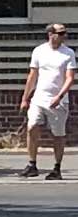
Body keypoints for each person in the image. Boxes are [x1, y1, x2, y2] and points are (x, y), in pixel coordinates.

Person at [19, 22, 75, 180]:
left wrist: (60, 96)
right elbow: (32, 76)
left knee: (58, 134)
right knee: (32, 126)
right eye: (61, 33)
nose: (64, 36)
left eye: (65, 33)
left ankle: (57, 168)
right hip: (39, 98)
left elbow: (70, 78)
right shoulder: (39, 51)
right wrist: (25, 98)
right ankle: (32, 164)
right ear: (51, 34)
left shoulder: (68, 53)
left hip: (58, 101)